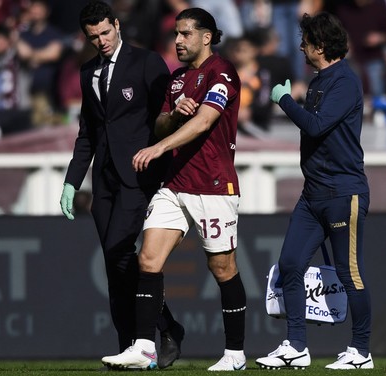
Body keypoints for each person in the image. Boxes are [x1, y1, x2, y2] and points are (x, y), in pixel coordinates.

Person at [100, 7, 247, 371]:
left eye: (185, 34)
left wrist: (158, 148)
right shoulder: (178, 78)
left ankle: (235, 353)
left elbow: (206, 121)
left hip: (214, 186)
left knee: (222, 267)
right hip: (177, 184)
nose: (177, 40)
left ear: (206, 37)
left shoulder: (222, 72)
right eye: (176, 34)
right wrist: (173, 115)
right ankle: (145, 346)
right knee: (148, 259)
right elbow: (163, 123)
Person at [59, 1, 184, 369]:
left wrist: (163, 162)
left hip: (140, 177)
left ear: (117, 25)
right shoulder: (87, 72)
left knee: (118, 252)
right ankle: (133, 345)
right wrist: (72, 181)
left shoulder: (146, 63)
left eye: (105, 31)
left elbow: (166, 118)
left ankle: (162, 329)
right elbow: (89, 132)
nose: (101, 40)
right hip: (105, 181)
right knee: (116, 267)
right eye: (93, 36)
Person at [255, 12, 373, 370]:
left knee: (348, 273)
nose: (301, 46)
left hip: (343, 192)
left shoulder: (345, 82)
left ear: (320, 46)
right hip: (313, 194)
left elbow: (317, 126)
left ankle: (361, 351)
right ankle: (296, 345)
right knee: (290, 264)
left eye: (306, 41)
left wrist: (285, 100)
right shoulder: (321, 80)